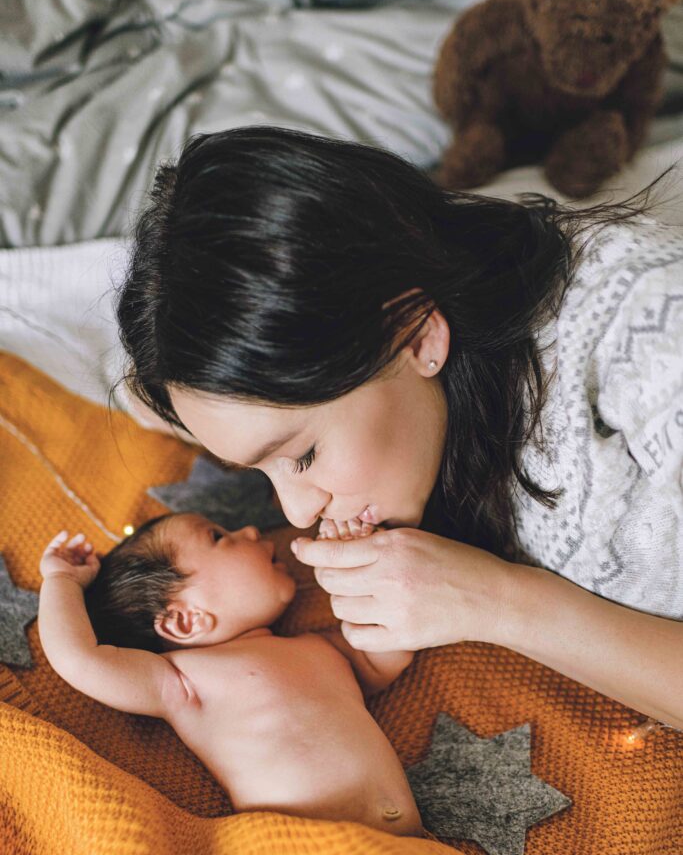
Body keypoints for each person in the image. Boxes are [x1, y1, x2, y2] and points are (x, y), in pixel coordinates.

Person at [115, 126, 683, 732]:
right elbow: (133, 383)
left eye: (303, 456)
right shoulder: (414, 312)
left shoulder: (650, 345)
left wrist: (500, 603)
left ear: (417, 334)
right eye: (258, 467)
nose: (298, 514)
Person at [37, 518, 423, 836]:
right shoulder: (182, 682)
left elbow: (385, 652)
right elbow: (80, 659)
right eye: (219, 537)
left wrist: (359, 561)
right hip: (304, 849)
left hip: (416, 851)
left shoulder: (320, 648)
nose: (253, 531)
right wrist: (62, 582)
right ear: (185, 620)